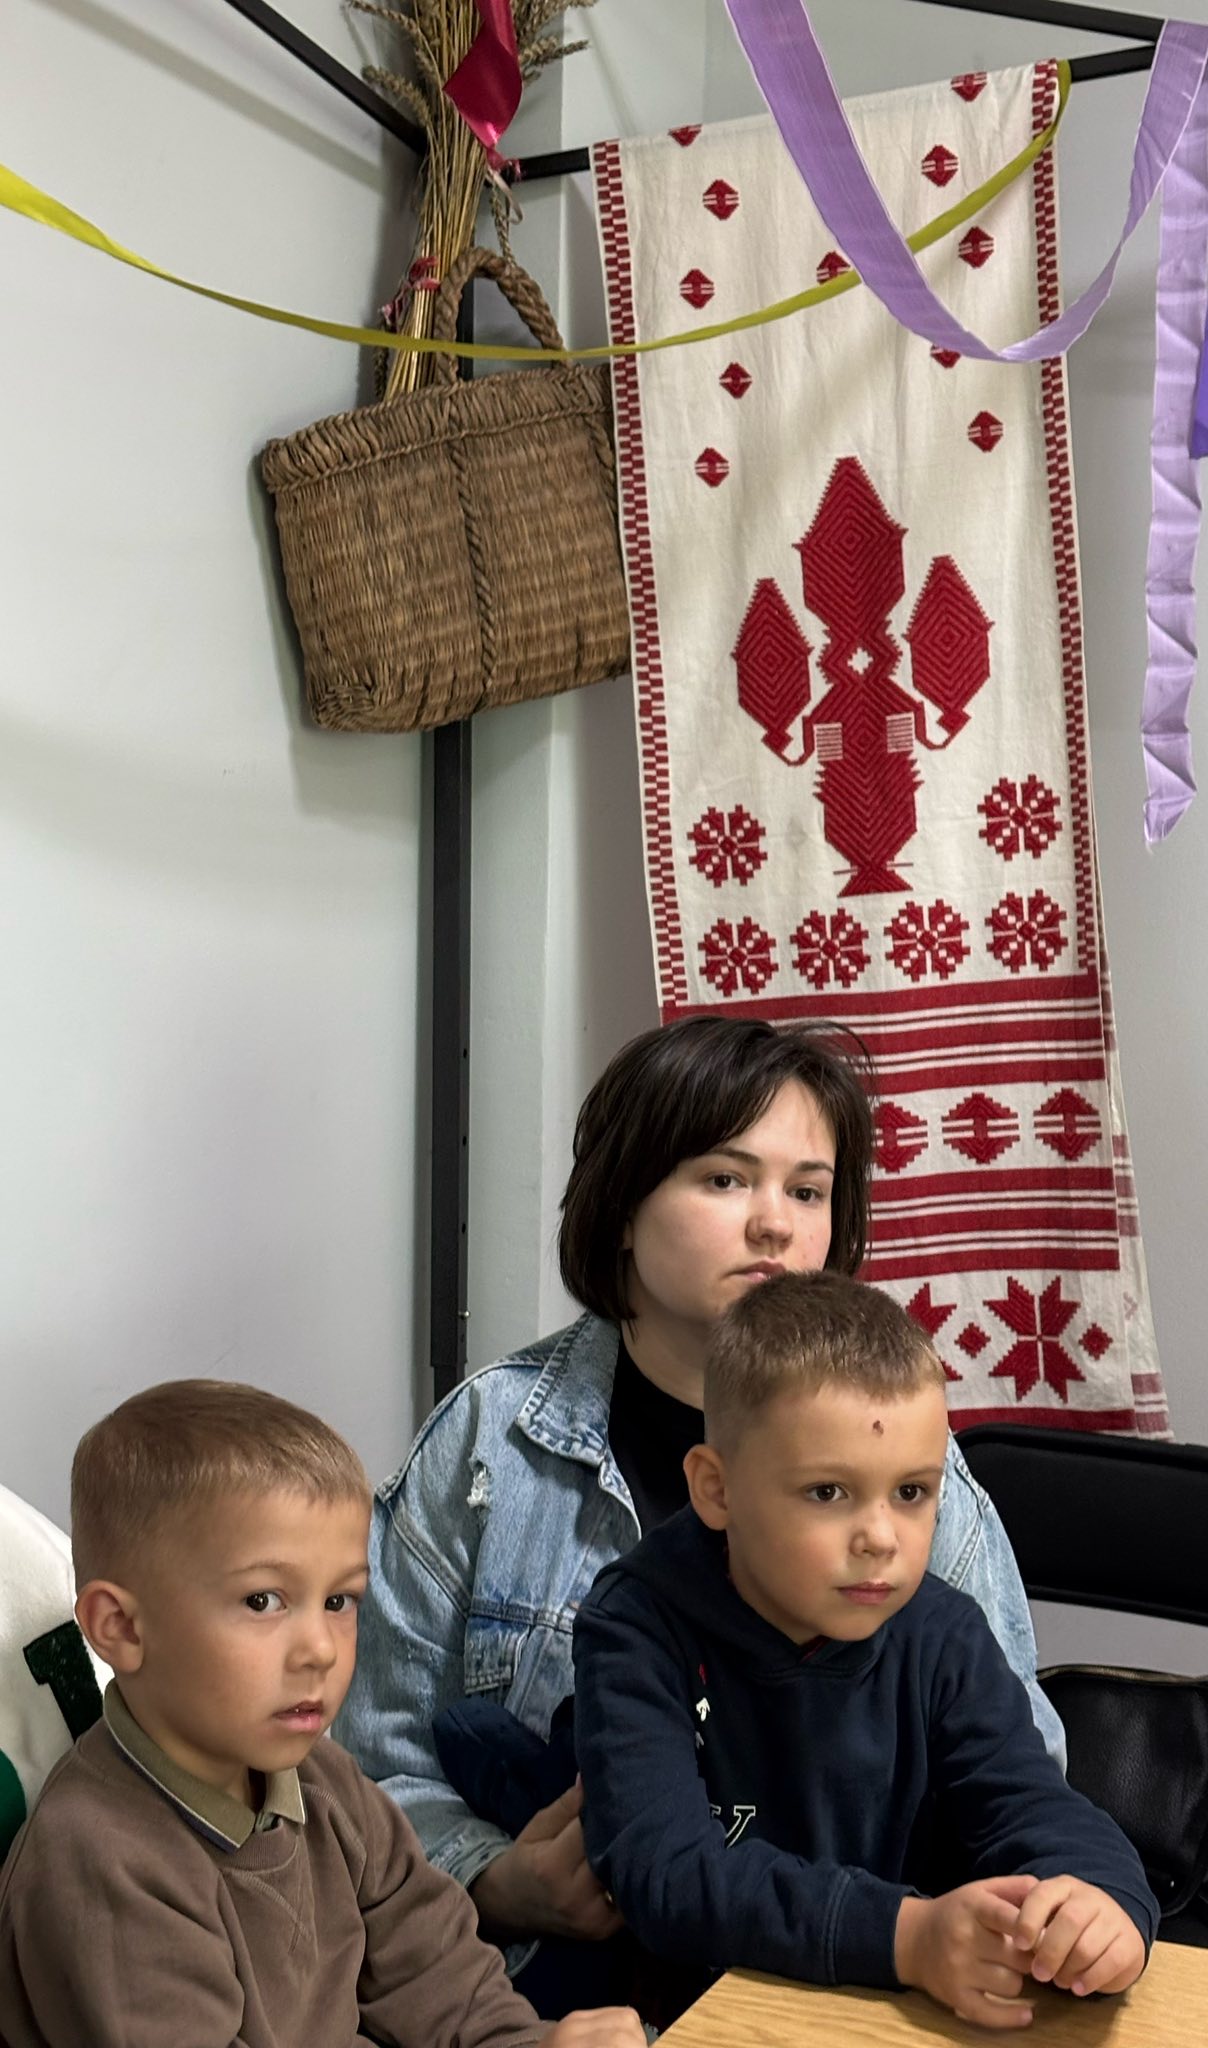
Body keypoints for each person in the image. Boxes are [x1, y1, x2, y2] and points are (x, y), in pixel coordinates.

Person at [335, 1017, 1065, 2011]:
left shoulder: (927, 1476)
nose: (774, 1225)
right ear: (622, 1207)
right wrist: (496, 1879)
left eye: (806, 1191)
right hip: (546, 2001)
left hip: (854, 1993)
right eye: (725, 1179)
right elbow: (368, 1765)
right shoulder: (488, 1440)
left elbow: (1020, 1771)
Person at [572, 1272, 1157, 2033]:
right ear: (716, 1489)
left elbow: (1030, 1805)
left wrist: (1101, 1900)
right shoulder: (637, 1625)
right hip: (697, 2019)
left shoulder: (943, 1634)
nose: (881, 1538)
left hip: (894, 2017)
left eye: (911, 1493)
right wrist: (906, 1936)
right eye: (828, 1492)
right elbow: (666, 1874)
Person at [0, 1379, 644, 2048]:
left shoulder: (327, 1782)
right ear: (122, 1628)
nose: (321, 1650)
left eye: (340, 1601)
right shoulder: (99, 1863)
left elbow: (439, 1974)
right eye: (263, 1601)